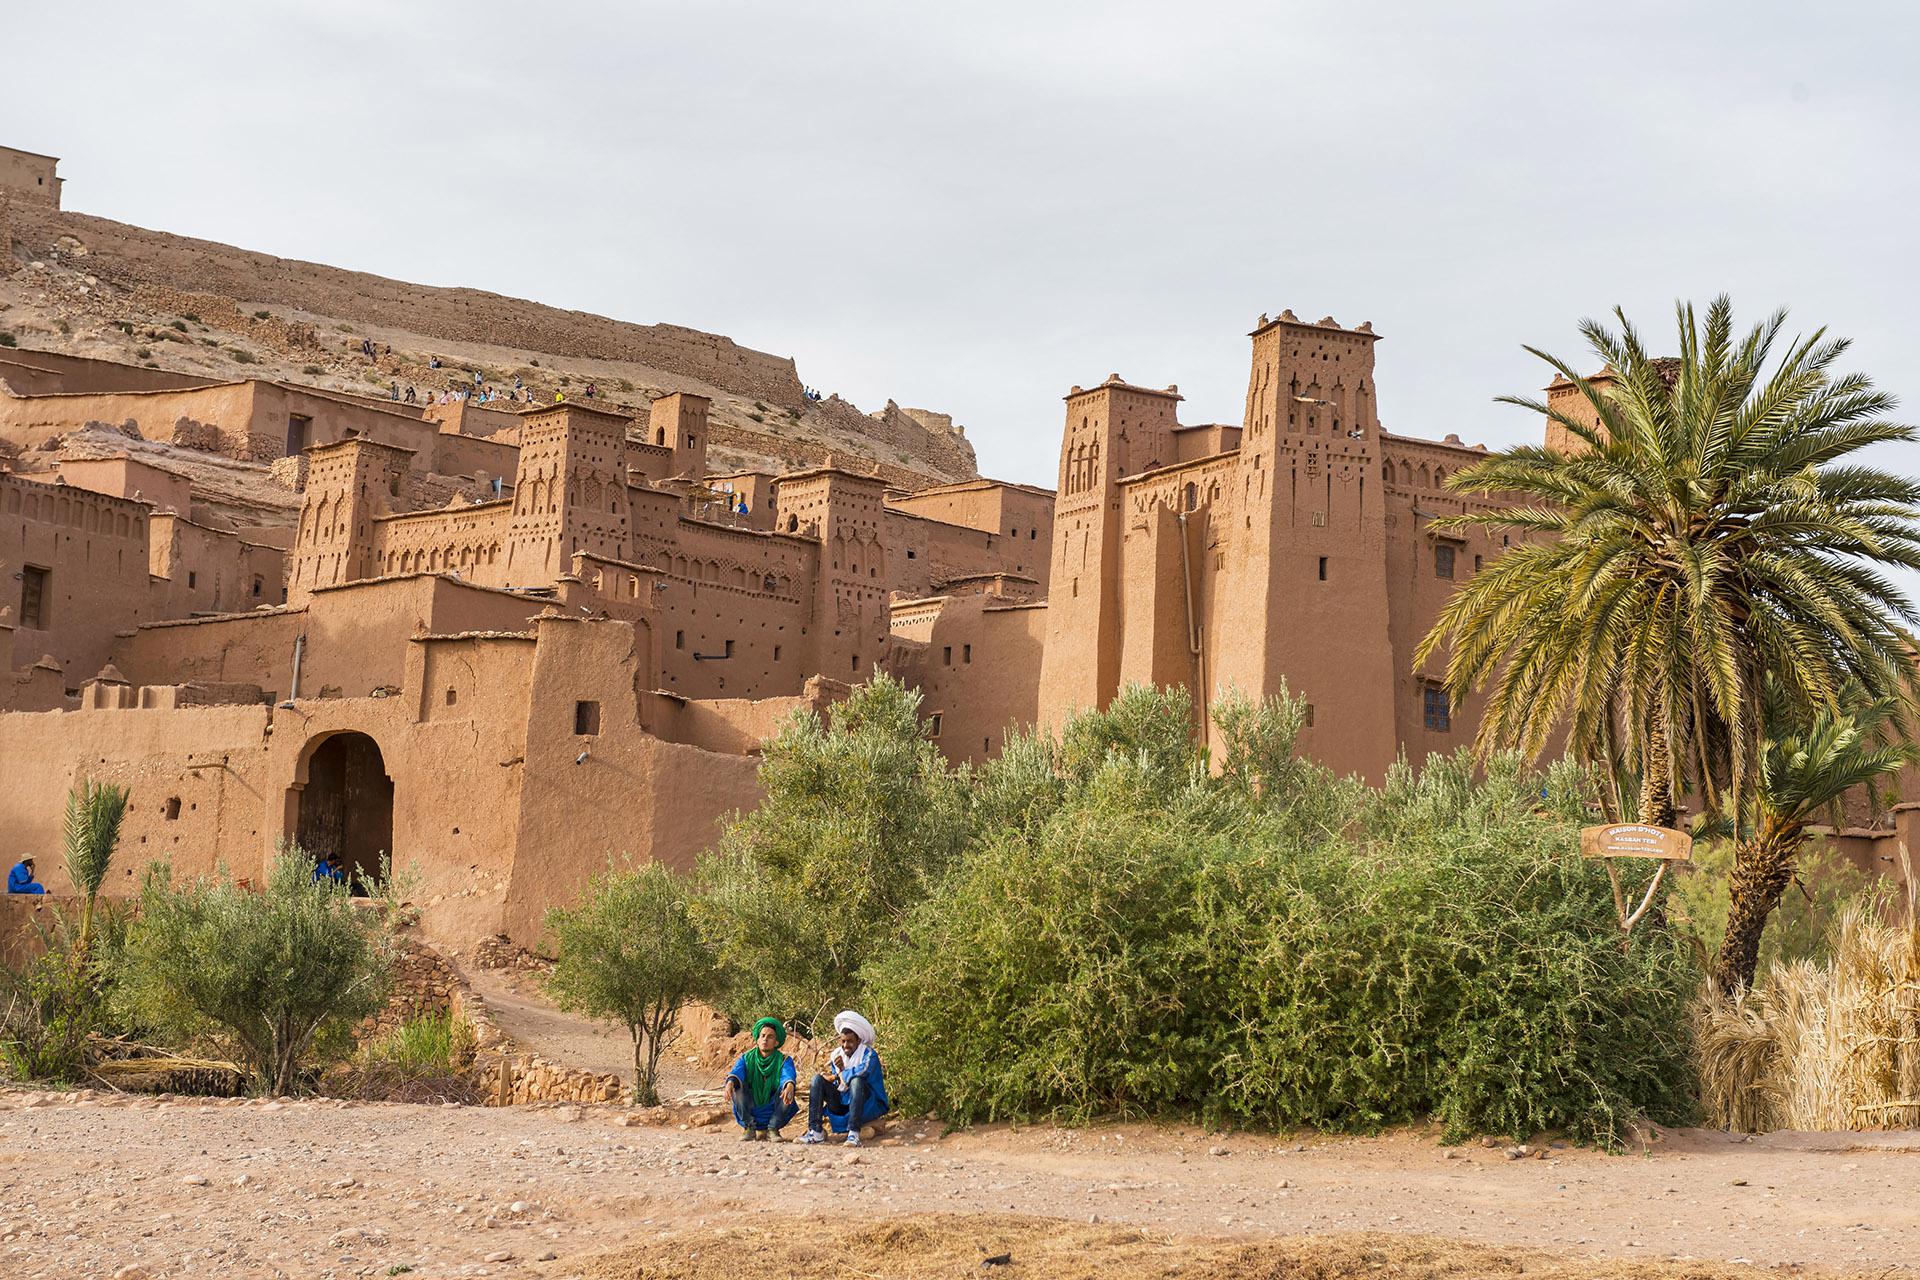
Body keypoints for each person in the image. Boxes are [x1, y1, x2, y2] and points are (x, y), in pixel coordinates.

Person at [802, 1010, 888, 1146]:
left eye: (850, 1041)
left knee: (856, 1081)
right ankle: (815, 1131)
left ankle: (854, 1133)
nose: (846, 1045)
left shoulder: (868, 1054)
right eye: (843, 1041)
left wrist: (842, 1072)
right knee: (817, 1080)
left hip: (866, 1102)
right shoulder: (837, 1054)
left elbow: (862, 1072)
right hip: (842, 1101)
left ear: (858, 1041)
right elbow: (839, 1082)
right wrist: (838, 1073)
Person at [725, 1016, 798, 1141]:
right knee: (736, 1086)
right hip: (750, 1105)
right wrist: (730, 1082)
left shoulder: (784, 1060)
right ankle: (749, 1128)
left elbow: (788, 1075)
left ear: (776, 1042)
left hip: (774, 1107)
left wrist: (789, 1085)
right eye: (762, 1036)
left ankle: (773, 1129)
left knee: (788, 1090)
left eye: (770, 1037)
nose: (765, 1039)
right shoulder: (746, 1058)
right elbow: (737, 1072)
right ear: (757, 1039)